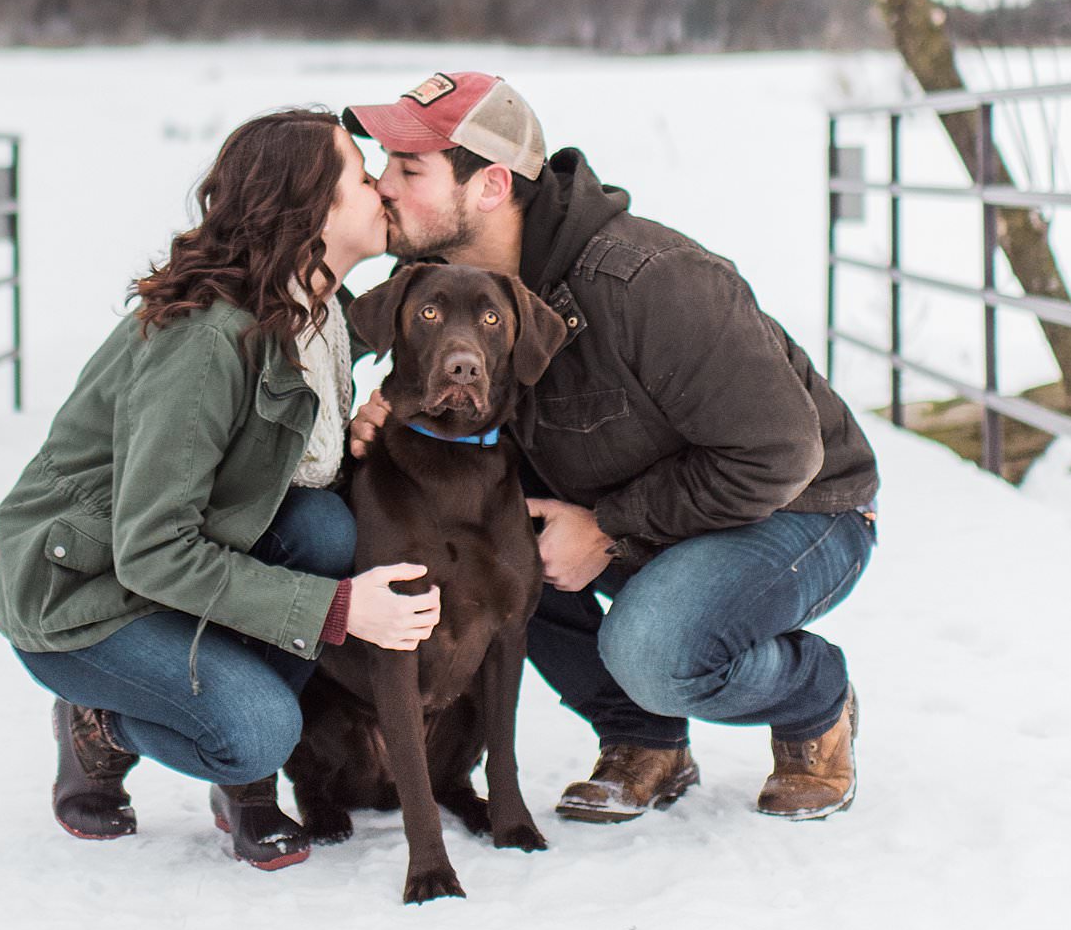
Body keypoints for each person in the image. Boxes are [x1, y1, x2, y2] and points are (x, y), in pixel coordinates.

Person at [344, 71, 878, 823]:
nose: (382, 186)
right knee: (501, 545)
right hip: (656, 512)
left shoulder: (649, 282)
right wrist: (383, 417)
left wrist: (609, 526)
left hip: (805, 508)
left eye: (408, 169)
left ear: (492, 185)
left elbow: (784, 455)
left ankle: (813, 696)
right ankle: (645, 742)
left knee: (655, 650)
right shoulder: (442, 282)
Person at [0, 108, 440, 871]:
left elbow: (396, 318)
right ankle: (103, 725)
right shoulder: (207, 342)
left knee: (323, 526)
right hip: (82, 590)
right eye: (364, 178)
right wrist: (337, 608)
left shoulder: (312, 315)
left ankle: (240, 781)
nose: (382, 191)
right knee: (261, 728)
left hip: (162, 567)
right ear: (310, 210)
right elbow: (154, 549)